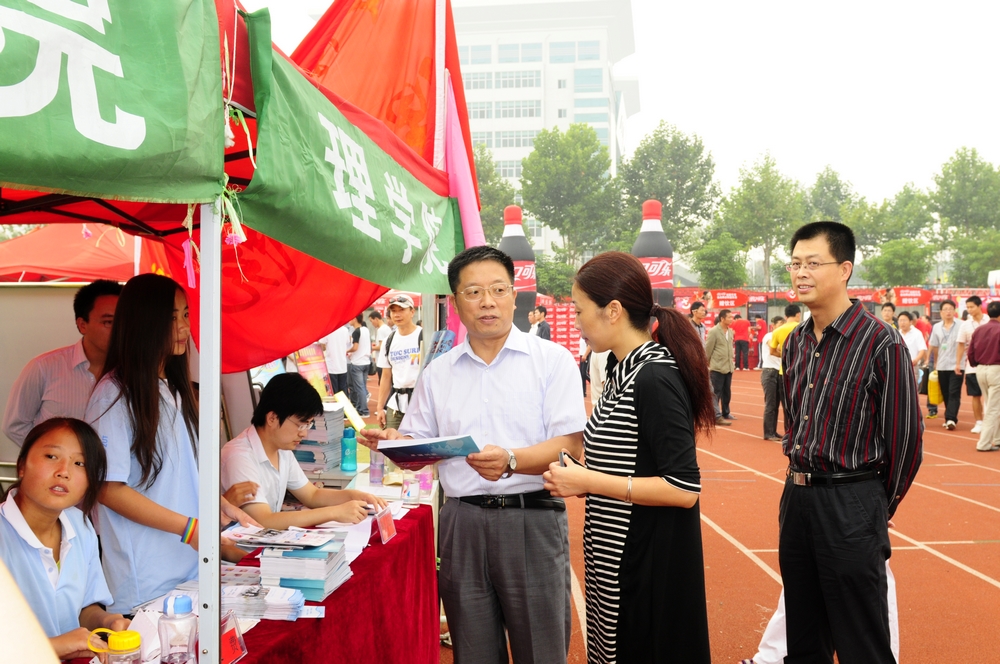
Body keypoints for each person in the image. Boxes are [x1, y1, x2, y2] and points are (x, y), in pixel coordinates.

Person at [360, 246, 586, 664]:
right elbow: (418, 442)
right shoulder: (439, 372)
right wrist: (395, 441)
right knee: (474, 650)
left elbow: (571, 446)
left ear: (514, 295)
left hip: (530, 518)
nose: (487, 301)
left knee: (542, 650)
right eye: (474, 292)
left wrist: (512, 460)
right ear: (455, 302)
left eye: (498, 289)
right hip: (461, 523)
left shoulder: (551, 362)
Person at [543, 251, 713, 663]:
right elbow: (628, 461)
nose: (578, 321)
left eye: (581, 310)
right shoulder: (623, 370)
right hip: (613, 554)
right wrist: (583, 475)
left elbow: (684, 487)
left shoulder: (654, 376)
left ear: (613, 310)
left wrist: (587, 482)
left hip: (644, 560)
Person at [779, 221, 922, 663]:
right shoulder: (796, 342)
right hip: (796, 500)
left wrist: (877, 506)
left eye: (812, 263)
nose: (801, 273)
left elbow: (906, 442)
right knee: (803, 638)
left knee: (862, 640)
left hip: (851, 502)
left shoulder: (882, 343)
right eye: (795, 264)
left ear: (844, 269)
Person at [85, 274, 200, 614]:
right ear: (143, 323)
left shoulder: (175, 388)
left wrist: (221, 506)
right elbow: (108, 487)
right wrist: (189, 528)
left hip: (190, 568)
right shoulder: (114, 394)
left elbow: (181, 475)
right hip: (146, 585)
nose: (182, 327)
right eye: (170, 317)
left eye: (186, 314)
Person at [0, 418, 130, 661]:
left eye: (80, 463)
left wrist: (106, 621)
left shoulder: (80, 526)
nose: (64, 471)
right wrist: (58, 645)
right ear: (21, 466)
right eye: (51, 456)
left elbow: (83, 609)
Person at [221, 373, 385, 527]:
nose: (304, 433)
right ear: (272, 418)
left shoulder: (282, 449)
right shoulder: (239, 457)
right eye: (300, 424)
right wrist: (335, 512)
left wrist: (354, 496)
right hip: (238, 552)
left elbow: (312, 495)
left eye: (308, 425)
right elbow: (264, 521)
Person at [3, 280, 122, 446]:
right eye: (108, 322)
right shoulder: (44, 368)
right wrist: (53, 455)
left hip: (113, 471)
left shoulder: (134, 373)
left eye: (124, 322)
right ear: (82, 325)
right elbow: (15, 426)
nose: (119, 330)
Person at [375, 294, 423, 431]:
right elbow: (385, 376)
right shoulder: (388, 341)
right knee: (392, 447)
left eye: (401, 310)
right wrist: (380, 408)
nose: (397, 315)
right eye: (393, 311)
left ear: (412, 312)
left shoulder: (424, 336)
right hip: (396, 405)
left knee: (418, 448)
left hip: (421, 404)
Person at [967, 300, 1000, 452]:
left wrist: (976, 365)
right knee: (993, 408)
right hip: (996, 370)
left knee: (993, 405)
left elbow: (971, 352)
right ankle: (984, 443)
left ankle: (998, 438)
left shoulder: (979, 330)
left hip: (980, 369)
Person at [956, 296, 986, 434]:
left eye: (972, 307)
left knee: (991, 395)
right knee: (976, 395)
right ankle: (979, 422)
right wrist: (958, 363)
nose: (969, 310)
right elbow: (961, 345)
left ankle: (990, 421)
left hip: (991, 364)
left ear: (980, 306)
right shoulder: (965, 325)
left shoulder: (990, 320)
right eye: (967, 307)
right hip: (972, 366)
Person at [929, 300, 962, 428]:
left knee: (954, 391)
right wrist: (932, 361)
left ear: (954, 311)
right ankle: (950, 417)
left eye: (951, 309)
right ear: (941, 312)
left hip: (957, 365)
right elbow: (934, 345)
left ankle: (950, 418)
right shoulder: (937, 327)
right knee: (946, 392)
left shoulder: (961, 325)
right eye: (945, 309)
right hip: (942, 365)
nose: (948, 311)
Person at [769, 304, 802, 433]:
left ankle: (788, 433)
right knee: (800, 404)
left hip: (784, 372)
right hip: (801, 371)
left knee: (786, 405)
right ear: (798, 314)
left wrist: (785, 356)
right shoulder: (802, 328)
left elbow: (772, 351)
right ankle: (799, 433)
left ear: (786, 316)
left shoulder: (777, 331)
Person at [705, 308, 736, 424]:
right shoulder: (713, 331)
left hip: (728, 366)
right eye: (729, 317)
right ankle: (714, 414)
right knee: (716, 391)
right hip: (717, 366)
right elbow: (708, 348)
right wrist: (706, 362)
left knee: (727, 391)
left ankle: (726, 412)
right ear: (722, 318)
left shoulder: (730, 331)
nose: (731, 319)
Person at [760, 316, 785, 441]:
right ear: (773, 325)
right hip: (769, 372)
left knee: (776, 404)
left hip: (779, 372)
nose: (781, 326)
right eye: (780, 324)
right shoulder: (769, 336)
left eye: (783, 324)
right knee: (770, 403)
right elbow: (774, 348)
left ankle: (773, 431)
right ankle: (768, 433)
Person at [347, 315, 372, 416]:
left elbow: (355, 347)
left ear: (354, 319)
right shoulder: (366, 329)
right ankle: (359, 408)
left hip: (357, 363)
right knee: (362, 387)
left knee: (359, 388)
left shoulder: (356, 332)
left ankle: (363, 411)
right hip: (366, 362)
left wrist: (347, 351)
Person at [320, 323, 352, 395]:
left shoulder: (328, 329)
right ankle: (344, 405)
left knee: (333, 392)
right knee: (343, 392)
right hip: (342, 365)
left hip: (331, 366)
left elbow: (322, 346)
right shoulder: (345, 330)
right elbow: (347, 342)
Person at [897, 311, 928, 383]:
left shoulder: (917, 333)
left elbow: (922, 349)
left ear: (910, 322)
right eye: (900, 320)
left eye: (904, 320)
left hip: (913, 365)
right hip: (899, 366)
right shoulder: (897, 333)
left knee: (913, 389)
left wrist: (916, 360)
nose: (902, 323)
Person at [369, 311, 392, 381]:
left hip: (381, 361)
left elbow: (381, 346)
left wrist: (371, 348)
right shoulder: (387, 328)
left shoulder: (381, 330)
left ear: (376, 319)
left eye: (371, 321)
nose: (371, 323)